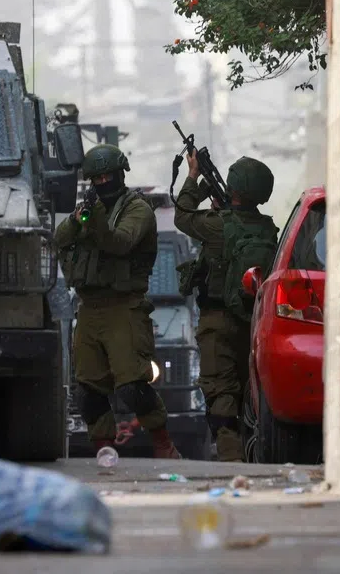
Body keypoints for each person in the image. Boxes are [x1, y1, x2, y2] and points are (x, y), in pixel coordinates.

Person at [55, 144, 181, 459]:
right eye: (96, 178)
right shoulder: (89, 208)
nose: (102, 183)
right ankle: (104, 451)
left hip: (123, 307)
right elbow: (59, 238)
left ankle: (164, 445)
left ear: (120, 173)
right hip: (89, 308)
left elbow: (120, 243)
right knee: (88, 391)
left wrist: (94, 219)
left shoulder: (136, 209)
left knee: (132, 386)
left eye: (108, 176)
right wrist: (79, 217)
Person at [173, 153, 278, 462]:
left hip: (217, 319)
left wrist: (194, 179)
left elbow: (182, 216)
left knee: (220, 391)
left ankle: (232, 460)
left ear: (233, 187)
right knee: (249, 391)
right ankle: (251, 456)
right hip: (253, 321)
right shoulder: (268, 229)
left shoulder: (219, 225)